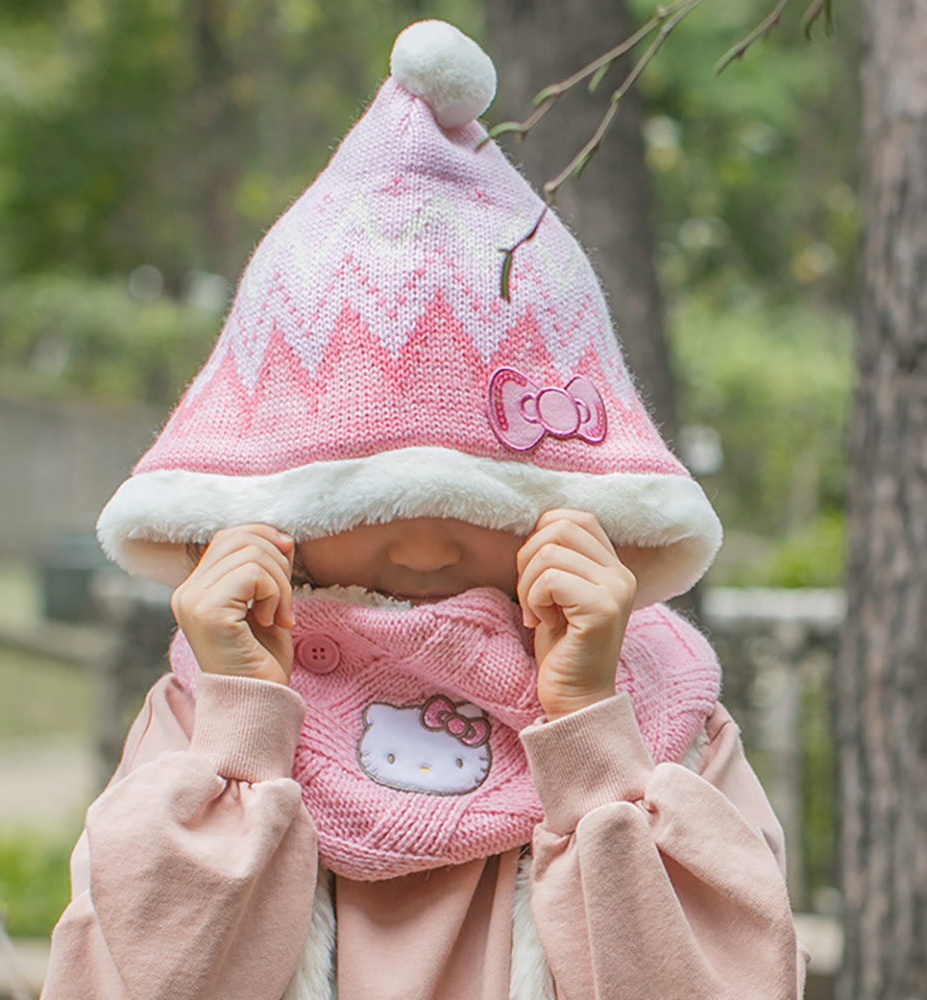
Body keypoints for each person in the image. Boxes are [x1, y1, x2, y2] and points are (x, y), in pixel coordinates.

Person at [42, 20, 806, 1000]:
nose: (426, 544)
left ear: (583, 495)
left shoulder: (661, 715)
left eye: (481, 492)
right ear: (266, 496)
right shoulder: (207, 708)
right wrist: (241, 736)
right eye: (369, 491)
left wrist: (590, 737)